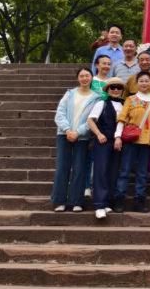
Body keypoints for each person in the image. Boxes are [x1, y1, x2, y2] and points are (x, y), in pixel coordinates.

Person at [51, 67, 99, 212]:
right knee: (62, 167)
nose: (84, 78)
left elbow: (93, 119)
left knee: (79, 168)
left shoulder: (96, 98)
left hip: (82, 137)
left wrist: (78, 132)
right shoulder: (69, 94)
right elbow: (60, 113)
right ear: (78, 78)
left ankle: (77, 201)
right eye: (81, 76)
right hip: (64, 134)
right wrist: (67, 130)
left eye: (87, 75)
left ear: (91, 77)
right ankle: (59, 201)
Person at [112, 71, 150, 213]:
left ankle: (139, 201)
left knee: (142, 173)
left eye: (147, 81)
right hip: (131, 141)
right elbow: (122, 119)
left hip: (147, 142)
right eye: (141, 81)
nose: (144, 83)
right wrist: (117, 136)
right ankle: (119, 199)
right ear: (136, 83)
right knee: (125, 171)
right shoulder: (130, 99)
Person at [86, 77, 125, 219]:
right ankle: (99, 205)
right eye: (112, 87)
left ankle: (108, 201)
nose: (116, 90)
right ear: (108, 90)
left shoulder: (125, 105)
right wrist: (98, 134)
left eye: (119, 87)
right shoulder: (101, 103)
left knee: (113, 172)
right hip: (103, 142)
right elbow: (90, 120)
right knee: (101, 172)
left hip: (118, 142)